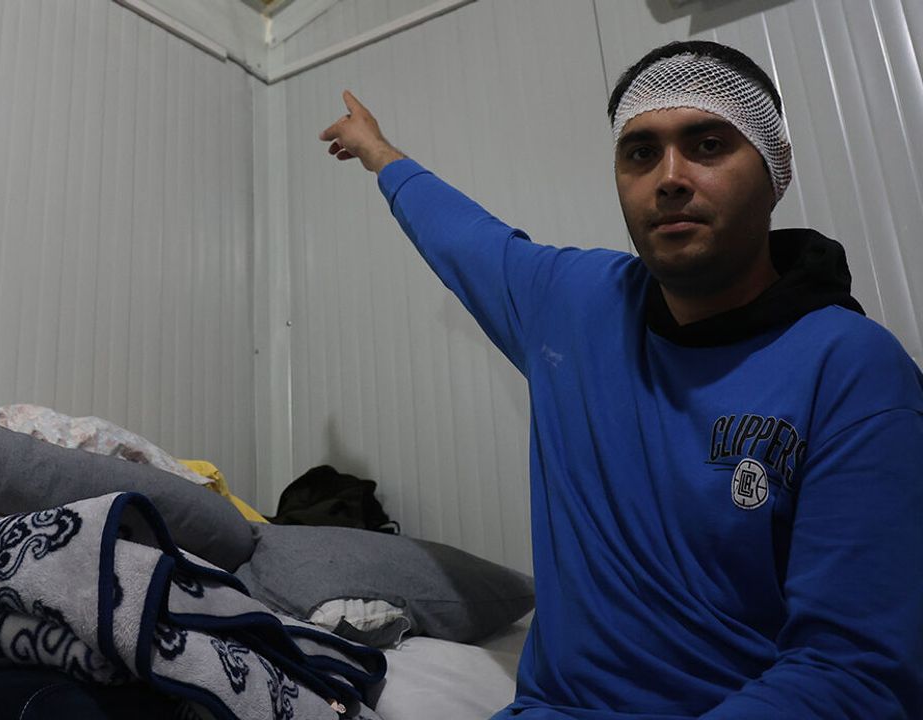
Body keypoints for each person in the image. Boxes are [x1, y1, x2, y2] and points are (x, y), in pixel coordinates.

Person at [320, 40, 923, 719]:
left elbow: (854, 673)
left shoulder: (853, 371)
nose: (670, 177)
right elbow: (462, 236)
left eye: (708, 145)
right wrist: (378, 152)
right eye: (641, 152)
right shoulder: (574, 305)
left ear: (775, 168)